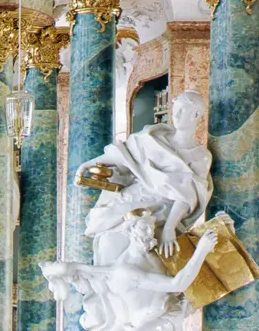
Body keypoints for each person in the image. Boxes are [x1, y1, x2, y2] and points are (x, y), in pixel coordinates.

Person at [42, 211, 218, 331]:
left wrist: (202, 248)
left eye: (150, 230)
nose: (149, 234)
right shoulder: (125, 269)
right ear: (130, 232)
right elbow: (177, 283)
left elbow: (178, 284)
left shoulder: (152, 258)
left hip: (165, 318)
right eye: (144, 229)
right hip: (141, 323)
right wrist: (202, 250)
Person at [78, 90, 210, 261]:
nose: (176, 115)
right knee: (106, 241)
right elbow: (123, 154)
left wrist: (170, 227)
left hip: (162, 209)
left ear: (196, 115)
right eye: (175, 108)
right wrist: (86, 165)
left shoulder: (200, 156)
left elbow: (188, 196)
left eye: (182, 110)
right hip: (132, 197)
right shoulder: (153, 137)